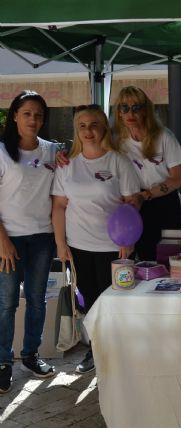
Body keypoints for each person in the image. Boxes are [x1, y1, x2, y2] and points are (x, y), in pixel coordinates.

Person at [52, 105, 140, 374]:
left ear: (104, 128)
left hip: (114, 247)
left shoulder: (118, 161)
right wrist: (61, 244)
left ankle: (118, 353)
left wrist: (128, 239)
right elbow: (59, 206)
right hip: (79, 246)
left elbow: (132, 203)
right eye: (82, 126)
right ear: (76, 130)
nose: (88, 131)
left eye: (94, 125)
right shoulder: (67, 165)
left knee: (115, 301)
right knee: (89, 301)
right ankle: (95, 350)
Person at [0, 91, 57, 394]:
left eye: (38, 115)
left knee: (37, 299)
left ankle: (30, 355)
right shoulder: (1, 152)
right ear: (14, 116)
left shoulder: (53, 152)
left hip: (43, 238)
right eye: (26, 113)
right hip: (9, 240)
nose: (33, 119)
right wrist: (3, 242)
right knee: (6, 302)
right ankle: (2, 361)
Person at [113, 86, 181, 261]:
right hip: (135, 205)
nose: (130, 113)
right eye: (125, 108)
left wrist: (146, 195)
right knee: (143, 263)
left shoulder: (164, 136)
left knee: (175, 261)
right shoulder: (117, 142)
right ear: (119, 113)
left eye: (136, 107)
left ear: (145, 110)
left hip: (165, 202)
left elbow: (178, 179)